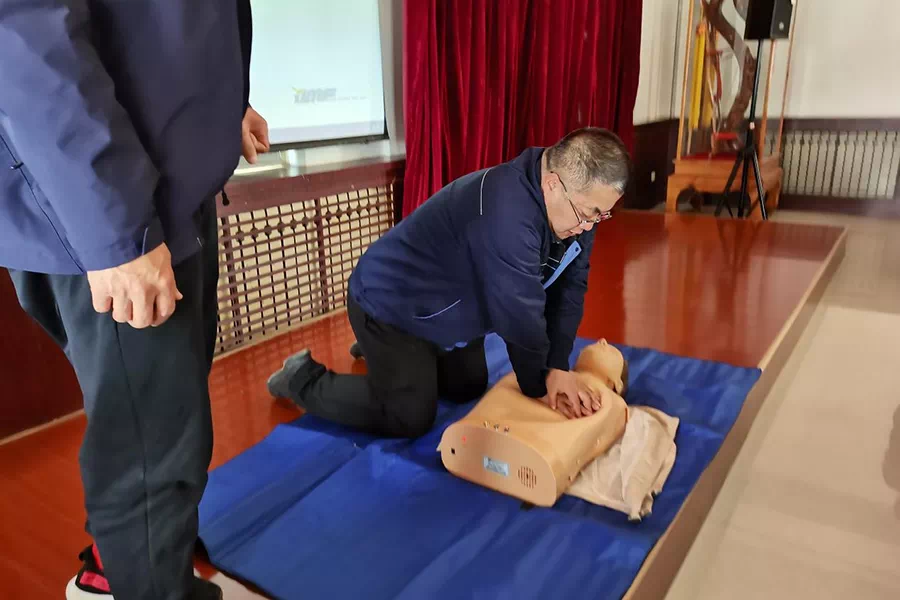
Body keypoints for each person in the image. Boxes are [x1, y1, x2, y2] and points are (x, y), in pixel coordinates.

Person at [0, 1, 268, 599]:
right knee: (151, 453)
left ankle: (111, 568)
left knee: (162, 419)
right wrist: (115, 230)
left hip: (154, 186)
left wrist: (226, 107)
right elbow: (23, 34)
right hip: (117, 204)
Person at [267, 127, 632, 437]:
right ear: (553, 184)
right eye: (588, 214)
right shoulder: (507, 211)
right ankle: (302, 377)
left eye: (601, 216)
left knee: (466, 387)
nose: (589, 226)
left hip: (448, 306)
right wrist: (542, 381)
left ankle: (381, 354)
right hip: (390, 304)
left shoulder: (576, 210)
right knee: (409, 416)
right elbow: (520, 311)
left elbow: (570, 291)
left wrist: (558, 367)